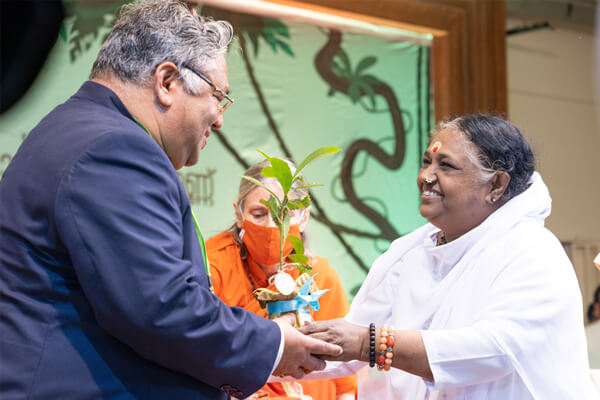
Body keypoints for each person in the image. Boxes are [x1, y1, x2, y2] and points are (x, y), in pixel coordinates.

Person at [0, 1, 341, 399]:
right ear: (166, 81)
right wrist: (275, 345)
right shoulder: (115, 149)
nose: (219, 119)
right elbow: (159, 307)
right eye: (219, 96)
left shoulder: (78, 129)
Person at [293, 114, 597, 399]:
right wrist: (269, 351)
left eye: (446, 166)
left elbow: (497, 349)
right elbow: (344, 346)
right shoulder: (407, 253)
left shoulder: (531, 249)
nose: (426, 176)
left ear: (496, 184)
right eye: (426, 162)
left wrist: (370, 344)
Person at [206, 160, 357, 400]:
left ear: (304, 217)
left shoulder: (320, 276)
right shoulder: (213, 268)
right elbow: (203, 356)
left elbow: (345, 376)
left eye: (283, 216)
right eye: (259, 214)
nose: (270, 226)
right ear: (238, 214)